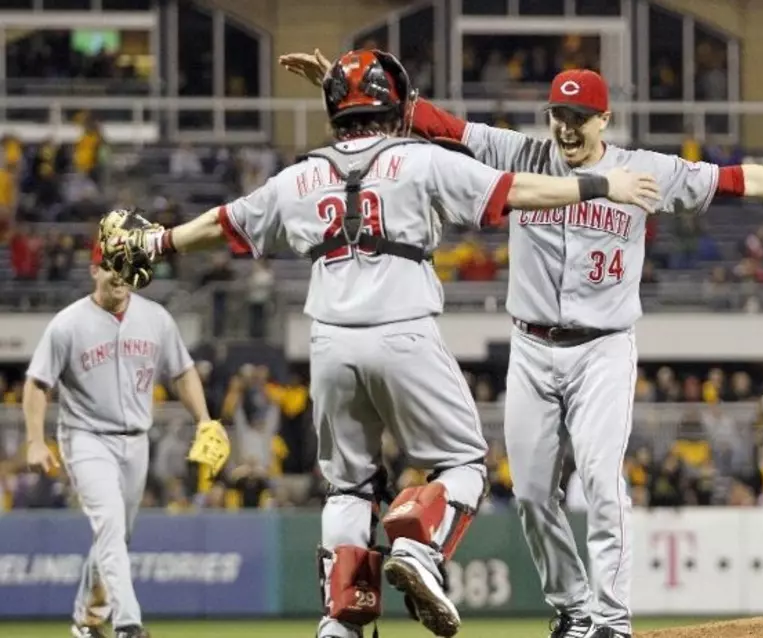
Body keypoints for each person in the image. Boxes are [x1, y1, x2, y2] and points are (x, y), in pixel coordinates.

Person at [278, 51, 763, 638]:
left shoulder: (645, 169)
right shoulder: (523, 154)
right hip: (529, 347)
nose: (567, 127)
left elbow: (739, 178)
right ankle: (573, 609)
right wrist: (343, 89)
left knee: (601, 481)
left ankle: (611, 619)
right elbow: (435, 124)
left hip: (603, 347)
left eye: (580, 116)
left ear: (604, 120)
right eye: (558, 114)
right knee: (528, 492)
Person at [100, 49, 658, 638]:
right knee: (464, 462)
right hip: (402, 330)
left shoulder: (300, 175)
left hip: (329, 343)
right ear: (396, 107)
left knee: (348, 486)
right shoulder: (417, 160)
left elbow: (222, 224)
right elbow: (517, 190)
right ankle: (420, 550)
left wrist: (159, 244)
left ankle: (340, 623)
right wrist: (600, 183)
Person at [23, 238, 213, 638]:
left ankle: (86, 620)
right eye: (111, 266)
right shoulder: (68, 323)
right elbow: (37, 383)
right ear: (94, 271)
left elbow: (182, 371)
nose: (120, 276)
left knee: (116, 536)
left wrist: (205, 420)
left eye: (126, 267)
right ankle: (128, 624)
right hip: (86, 437)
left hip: (136, 441)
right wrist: (35, 441)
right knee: (109, 527)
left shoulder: (156, 318)